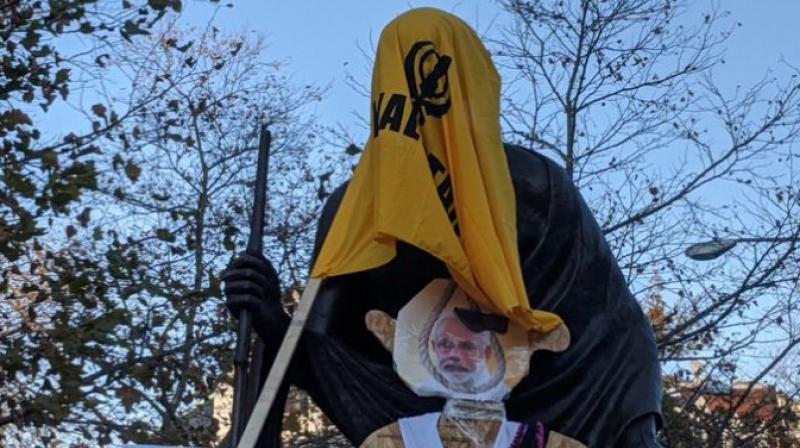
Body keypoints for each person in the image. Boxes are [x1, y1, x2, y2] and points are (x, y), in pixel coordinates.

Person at [224, 7, 663, 448]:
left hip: (553, 392)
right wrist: (270, 317)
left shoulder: (536, 186)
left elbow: (608, 327)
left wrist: (632, 432)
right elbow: (322, 350)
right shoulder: (356, 207)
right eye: (407, 79)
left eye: (439, 77)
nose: (425, 97)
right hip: (414, 402)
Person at [431, 314, 495, 392]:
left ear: (487, 353)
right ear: (434, 347)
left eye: (468, 347)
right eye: (445, 344)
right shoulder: (422, 390)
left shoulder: (503, 392)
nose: (454, 354)